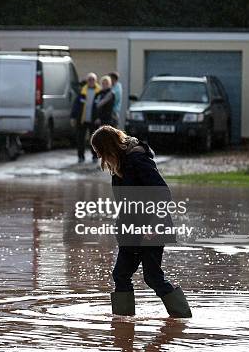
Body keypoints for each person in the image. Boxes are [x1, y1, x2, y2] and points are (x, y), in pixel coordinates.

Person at [90, 125, 192, 318]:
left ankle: (183, 318)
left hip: (153, 228)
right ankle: (123, 323)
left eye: (99, 153)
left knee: (153, 277)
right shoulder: (119, 163)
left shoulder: (137, 159)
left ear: (108, 148)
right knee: (120, 275)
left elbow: (163, 193)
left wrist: (155, 225)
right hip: (131, 231)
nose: (99, 158)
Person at [71, 73, 101, 163]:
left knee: (94, 140)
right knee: (80, 139)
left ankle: (95, 156)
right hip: (82, 119)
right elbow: (76, 105)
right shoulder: (82, 91)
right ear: (87, 81)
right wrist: (73, 117)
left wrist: (99, 117)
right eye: (89, 80)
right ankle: (81, 157)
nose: (91, 81)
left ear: (96, 81)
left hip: (94, 120)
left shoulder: (100, 92)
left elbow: (101, 108)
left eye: (93, 79)